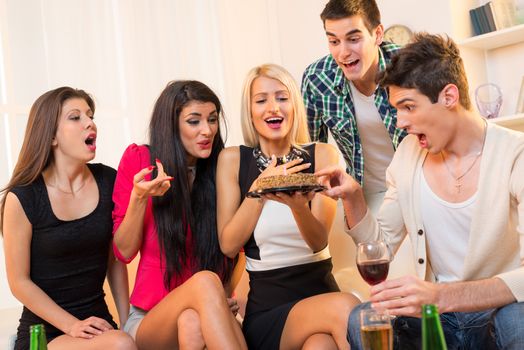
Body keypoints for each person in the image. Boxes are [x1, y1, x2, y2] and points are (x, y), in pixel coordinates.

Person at [316, 33, 524, 349]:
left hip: (496, 314)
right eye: (396, 109)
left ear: (449, 96)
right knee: (365, 317)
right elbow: (380, 245)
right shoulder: (408, 156)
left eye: (409, 107)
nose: (400, 122)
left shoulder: (515, 155)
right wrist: (354, 198)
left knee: (519, 320)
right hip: (438, 319)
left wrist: (442, 296)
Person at [217, 63, 360, 350]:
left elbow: (318, 242)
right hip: (270, 311)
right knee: (348, 305)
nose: (273, 108)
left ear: (294, 104)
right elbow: (228, 245)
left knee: (321, 346)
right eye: (261, 100)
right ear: (250, 110)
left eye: (282, 97)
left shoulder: (322, 153)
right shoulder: (233, 160)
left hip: (320, 292)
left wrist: (298, 207)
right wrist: (260, 188)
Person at [112, 80, 247, 350]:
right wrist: (139, 198)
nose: (206, 130)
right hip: (151, 319)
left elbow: (237, 249)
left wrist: (218, 299)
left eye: (212, 119)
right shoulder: (140, 160)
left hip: (205, 314)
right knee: (206, 283)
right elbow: (123, 251)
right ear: (172, 125)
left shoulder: (222, 169)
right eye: (194, 121)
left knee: (191, 320)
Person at [1, 87, 136, 350]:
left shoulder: (109, 180)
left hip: (98, 326)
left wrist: (126, 320)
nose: (90, 123)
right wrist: (72, 325)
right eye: (75, 117)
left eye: (90, 115)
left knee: (124, 340)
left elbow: (115, 260)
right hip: (44, 334)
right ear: (51, 135)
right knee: (120, 345)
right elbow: (19, 282)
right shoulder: (24, 197)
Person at [301, 0, 407, 209]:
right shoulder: (317, 78)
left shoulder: (407, 66)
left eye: (353, 39)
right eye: (334, 41)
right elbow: (312, 151)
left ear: (377, 34)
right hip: (366, 194)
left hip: (419, 185)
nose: (343, 53)